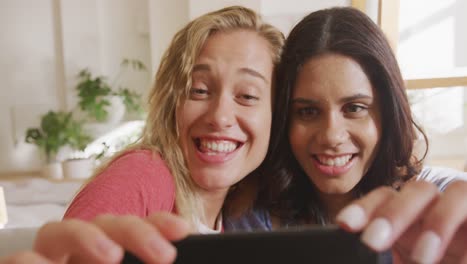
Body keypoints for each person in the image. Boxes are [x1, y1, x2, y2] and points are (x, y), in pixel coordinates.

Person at [0, 6, 284, 264]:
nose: (220, 116)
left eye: (247, 95)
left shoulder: (242, 216)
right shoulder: (142, 173)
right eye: (198, 90)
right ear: (172, 101)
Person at [233, 6, 467, 264]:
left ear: (388, 114)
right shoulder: (251, 221)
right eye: (308, 111)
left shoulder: (440, 201)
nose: (331, 136)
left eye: (355, 108)